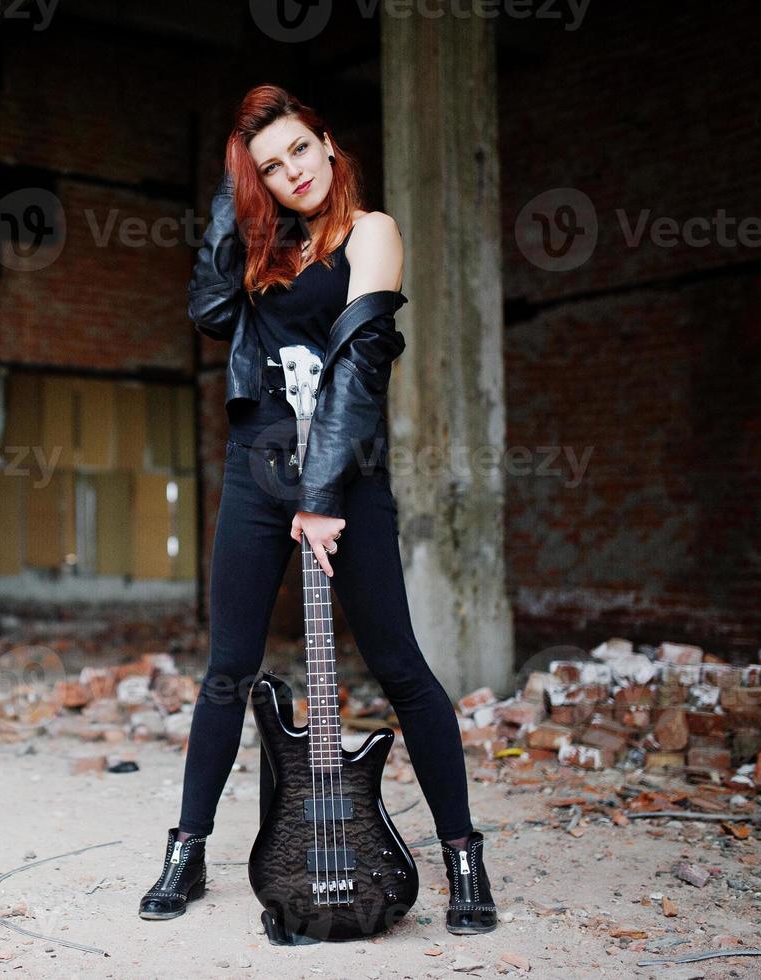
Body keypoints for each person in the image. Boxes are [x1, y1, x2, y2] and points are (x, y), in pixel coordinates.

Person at [138, 84, 497, 936]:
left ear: (328, 145)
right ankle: (186, 852)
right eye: (269, 166)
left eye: (297, 150)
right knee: (227, 666)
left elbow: (360, 367)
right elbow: (208, 309)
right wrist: (236, 183)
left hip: (349, 479)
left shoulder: (370, 234)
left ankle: (462, 857)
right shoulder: (265, 254)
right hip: (256, 475)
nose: (290, 171)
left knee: (400, 666)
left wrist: (324, 497)